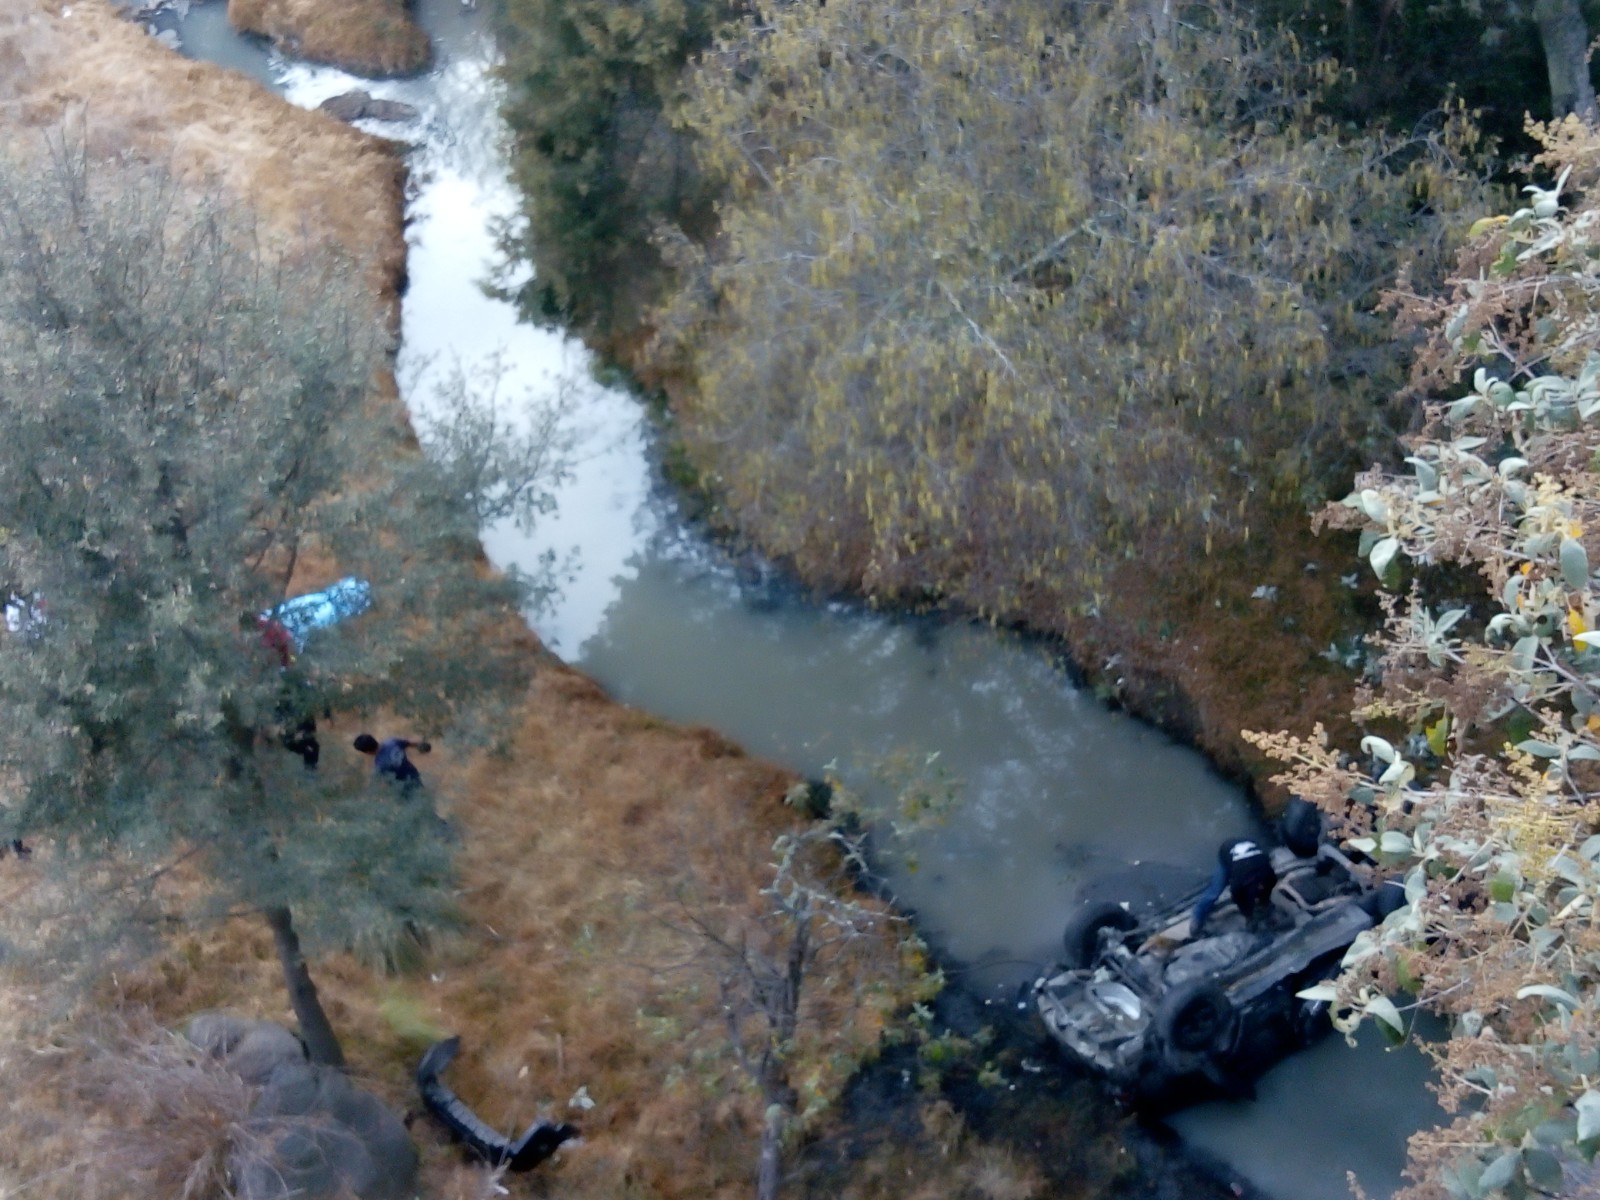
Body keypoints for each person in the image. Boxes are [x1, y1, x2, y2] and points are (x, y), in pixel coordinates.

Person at [1190, 836, 1278, 935]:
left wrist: (1264, 901)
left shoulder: (1271, 877)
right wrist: (1248, 916)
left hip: (1251, 850)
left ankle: (1264, 906)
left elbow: (1268, 888)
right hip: (1227, 850)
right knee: (1215, 891)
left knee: (1262, 897)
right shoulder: (1238, 884)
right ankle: (1197, 919)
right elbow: (1238, 898)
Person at [353, 733, 430, 789]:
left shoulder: (380, 764)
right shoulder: (392, 742)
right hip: (413, 774)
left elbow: (387, 782)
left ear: (367, 752)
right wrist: (422, 746)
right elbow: (409, 744)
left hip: (403, 786)